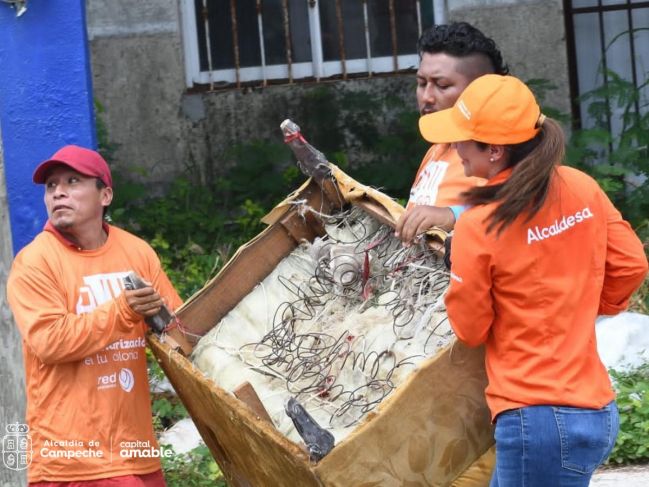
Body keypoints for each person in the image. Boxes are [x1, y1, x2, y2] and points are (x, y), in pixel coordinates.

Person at [418, 74, 649, 486]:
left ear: (494, 150)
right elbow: (631, 265)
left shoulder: (478, 225)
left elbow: (470, 330)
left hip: (537, 419)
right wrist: (580, 310)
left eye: (462, 140)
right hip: (594, 410)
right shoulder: (580, 187)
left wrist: (460, 269)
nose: (453, 150)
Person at [7, 145, 183, 486]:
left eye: (73, 181)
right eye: (51, 185)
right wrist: (124, 309)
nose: (58, 191)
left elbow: (175, 328)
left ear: (105, 194)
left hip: (138, 453)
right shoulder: (35, 262)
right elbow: (51, 341)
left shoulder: (136, 251)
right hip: (72, 461)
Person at [395, 22, 509, 243]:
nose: (426, 96)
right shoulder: (437, 148)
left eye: (442, 85)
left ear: (479, 90)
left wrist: (453, 215)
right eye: (421, 83)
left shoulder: (499, 149)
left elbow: (524, 209)